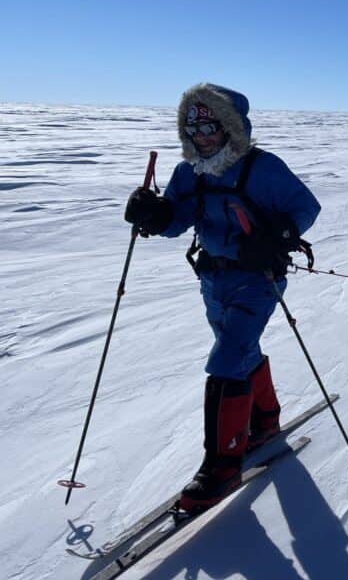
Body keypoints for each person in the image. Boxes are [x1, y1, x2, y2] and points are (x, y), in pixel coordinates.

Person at [124, 83, 321, 512]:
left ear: (229, 127)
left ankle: (221, 466)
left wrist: (276, 236)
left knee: (227, 359)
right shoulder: (188, 173)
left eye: (210, 125)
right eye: (193, 127)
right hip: (212, 279)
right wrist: (153, 215)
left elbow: (305, 207)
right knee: (238, 349)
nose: (202, 136)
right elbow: (176, 219)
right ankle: (265, 421)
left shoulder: (262, 168)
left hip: (258, 280)